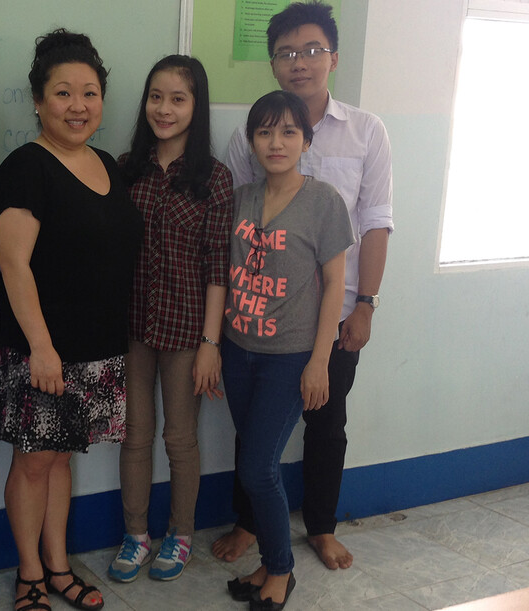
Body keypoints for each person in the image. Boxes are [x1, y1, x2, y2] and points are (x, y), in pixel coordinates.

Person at [213, 0, 394, 571]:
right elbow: (236, 223)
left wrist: (365, 304)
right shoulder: (251, 135)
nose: (300, 62)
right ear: (273, 64)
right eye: (287, 53)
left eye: (312, 50)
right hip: (261, 317)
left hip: (335, 313)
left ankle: (319, 526)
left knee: (328, 421)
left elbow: (376, 221)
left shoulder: (366, 131)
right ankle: (249, 521)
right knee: (254, 428)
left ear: (333, 58)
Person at [0, 28, 143, 611]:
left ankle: (57, 566)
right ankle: (29, 574)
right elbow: (14, 265)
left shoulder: (107, 163)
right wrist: (42, 348)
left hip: (97, 349)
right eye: (62, 93)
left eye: (89, 93)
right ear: (37, 100)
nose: (78, 106)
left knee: (59, 459)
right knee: (33, 461)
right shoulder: (25, 168)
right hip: (42, 352)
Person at [222, 90, 352, 610]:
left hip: (290, 356)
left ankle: (281, 569)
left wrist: (319, 361)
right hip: (238, 350)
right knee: (256, 462)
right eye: (264, 132)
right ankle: (268, 560)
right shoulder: (242, 198)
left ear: (306, 140)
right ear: (252, 140)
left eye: (288, 132)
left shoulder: (323, 202)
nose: (276, 143)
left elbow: (334, 288)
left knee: (257, 467)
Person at [107, 55, 233, 584]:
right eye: (156, 96)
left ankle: (180, 534)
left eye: (178, 99)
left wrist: (211, 341)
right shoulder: (125, 168)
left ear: (196, 106)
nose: (164, 108)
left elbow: (216, 267)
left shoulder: (214, 178)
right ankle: (135, 535)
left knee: (180, 439)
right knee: (134, 435)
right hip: (132, 328)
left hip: (186, 334)